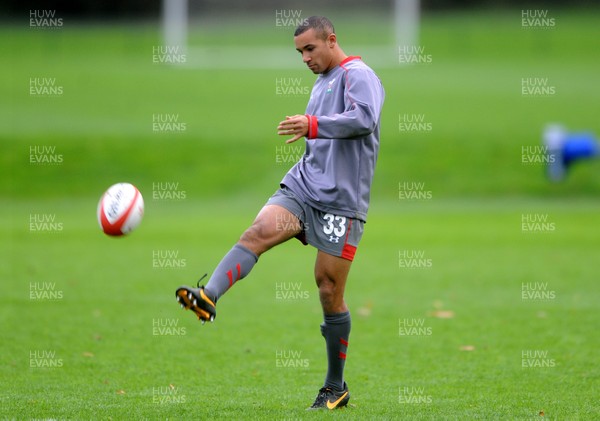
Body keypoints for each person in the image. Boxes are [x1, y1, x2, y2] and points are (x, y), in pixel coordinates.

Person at [176, 15, 385, 410]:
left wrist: (312, 124)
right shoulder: (322, 80)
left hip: (342, 204)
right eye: (299, 52)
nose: (304, 58)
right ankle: (208, 295)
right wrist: (312, 128)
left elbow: (364, 120)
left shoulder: (357, 75)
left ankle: (335, 387)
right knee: (257, 232)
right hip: (303, 188)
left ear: (331, 40)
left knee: (328, 289)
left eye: (310, 49)